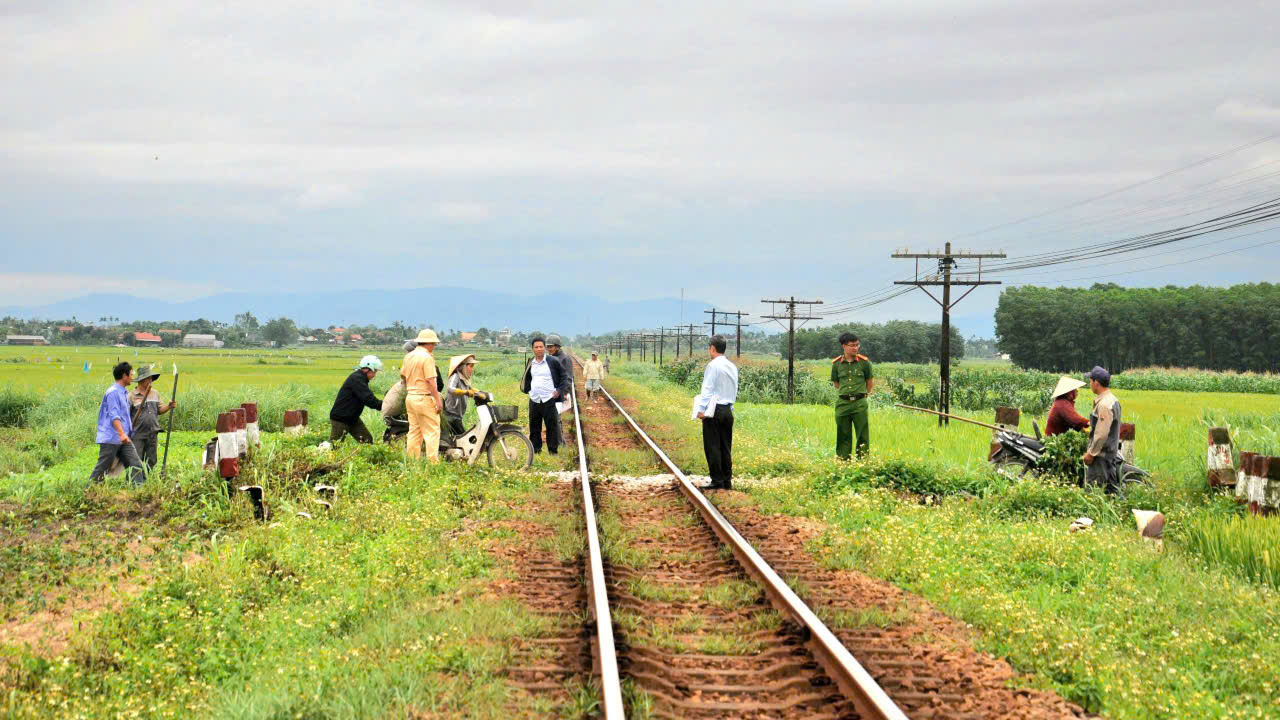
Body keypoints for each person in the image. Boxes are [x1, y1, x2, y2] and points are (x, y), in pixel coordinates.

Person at [88, 362, 145, 485]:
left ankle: (140, 493)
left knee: (135, 463)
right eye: (131, 374)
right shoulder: (113, 392)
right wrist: (121, 434)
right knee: (103, 468)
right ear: (124, 376)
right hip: (112, 438)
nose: (132, 376)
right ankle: (89, 491)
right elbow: (115, 416)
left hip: (123, 439)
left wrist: (126, 434)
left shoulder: (123, 392)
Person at [694, 335, 738, 490]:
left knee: (712, 446)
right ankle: (727, 481)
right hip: (727, 410)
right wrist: (730, 408)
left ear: (712, 348)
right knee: (726, 447)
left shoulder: (713, 366)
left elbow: (708, 389)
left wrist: (701, 410)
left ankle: (717, 480)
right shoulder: (732, 366)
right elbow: (734, 389)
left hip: (714, 411)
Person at [521, 336, 568, 454]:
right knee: (534, 426)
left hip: (549, 399)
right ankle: (536, 450)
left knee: (551, 427)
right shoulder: (531, 362)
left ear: (544, 348)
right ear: (533, 349)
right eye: (536, 347)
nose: (539, 349)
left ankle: (553, 451)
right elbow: (528, 377)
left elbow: (564, 377)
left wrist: (559, 391)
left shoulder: (553, 361)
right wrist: (529, 390)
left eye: (541, 347)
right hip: (535, 399)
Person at [402, 330, 444, 461]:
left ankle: (413, 462)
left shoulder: (409, 356)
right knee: (432, 431)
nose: (434, 347)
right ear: (430, 343)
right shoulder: (427, 357)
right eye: (434, 344)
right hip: (423, 397)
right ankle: (433, 464)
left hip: (410, 398)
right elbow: (431, 381)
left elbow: (403, 376)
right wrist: (438, 400)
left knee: (414, 431)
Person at [830, 332, 873, 459]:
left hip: (860, 403)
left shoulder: (864, 363)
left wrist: (863, 396)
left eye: (857, 345)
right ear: (844, 346)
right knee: (843, 433)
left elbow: (869, 382)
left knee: (862, 434)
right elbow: (836, 383)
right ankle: (843, 461)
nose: (856, 348)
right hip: (843, 403)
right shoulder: (836, 364)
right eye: (852, 345)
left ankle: (863, 461)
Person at [1083, 366, 1123, 494]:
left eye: (1090, 381)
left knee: (1092, 494)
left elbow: (1102, 433)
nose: (1090, 384)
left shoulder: (1104, 404)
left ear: (1096, 383)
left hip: (1101, 458)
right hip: (1109, 455)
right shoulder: (1113, 399)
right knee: (1112, 493)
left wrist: (1091, 453)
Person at [129, 364, 176, 471]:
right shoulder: (131, 396)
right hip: (137, 434)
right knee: (135, 461)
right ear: (142, 380)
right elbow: (126, 416)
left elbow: (159, 410)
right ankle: (134, 484)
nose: (151, 380)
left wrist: (169, 406)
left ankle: (148, 481)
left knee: (151, 461)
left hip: (153, 433)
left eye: (151, 378)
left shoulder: (155, 393)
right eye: (149, 378)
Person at [329, 355, 384, 443]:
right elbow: (369, 399)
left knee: (367, 440)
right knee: (334, 445)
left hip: (352, 418)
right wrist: (386, 405)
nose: (374, 375)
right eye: (374, 371)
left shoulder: (361, 378)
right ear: (367, 369)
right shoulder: (357, 379)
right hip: (341, 418)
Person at [381, 340, 417, 436]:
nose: (407, 353)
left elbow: (403, 375)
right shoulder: (418, 360)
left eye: (409, 351)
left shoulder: (416, 360)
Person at [545, 334, 574, 441]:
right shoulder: (550, 357)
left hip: (559, 392)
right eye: (547, 347)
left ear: (557, 346)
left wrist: (565, 393)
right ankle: (559, 441)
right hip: (549, 393)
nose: (548, 349)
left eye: (551, 346)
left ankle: (560, 443)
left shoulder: (565, 358)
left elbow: (569, 378)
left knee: (555, 418)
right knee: (554, 418)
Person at [444, 353, 479, 438]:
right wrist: (465, 392)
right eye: (470, 366)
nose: (472, 369)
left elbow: (471, 390)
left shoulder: (464, 379)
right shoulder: (455, 376)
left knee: (461, 437)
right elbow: (450, 389)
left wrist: (480, 393)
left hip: (458, 415)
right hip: (451, 415)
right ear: (464, 366)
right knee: (463, 438)